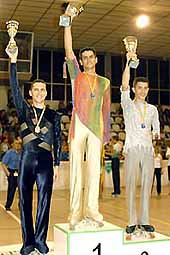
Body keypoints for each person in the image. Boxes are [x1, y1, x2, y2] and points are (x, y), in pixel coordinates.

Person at [6, 44, 61, 255]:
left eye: (42, 89)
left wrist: (56, 164)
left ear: (46, 92)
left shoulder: (53, 116)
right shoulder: (23, 110)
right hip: (26, 159)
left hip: (46, 160)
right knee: (24, 201)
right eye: (35, 89)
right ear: (30, 92)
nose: (39, 92)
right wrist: (13, 61)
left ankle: (41, 240)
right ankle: (28, 242)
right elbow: (13, 85)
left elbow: (57, 138)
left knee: (44, 202)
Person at [63, 6, 110, 230]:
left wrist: (106, 134)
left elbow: (107, 109)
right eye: (84, 57)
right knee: (76, 171)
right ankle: (75, 213)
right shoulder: (76, 75)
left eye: (91, 57)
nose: (87, 60)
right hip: (78, 125)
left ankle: (92, 210)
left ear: (96, 60)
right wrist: (68, 23)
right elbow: (68, 48)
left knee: (93, 170)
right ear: (81, 61)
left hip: (96, 128)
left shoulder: (104, 82)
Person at [121, 52, 160, 236]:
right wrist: (128, 62)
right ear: (134, 89)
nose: (142, 91)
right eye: (139, 87)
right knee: (130, 184)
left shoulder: (152, 109)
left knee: (147, 185)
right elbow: (124, 84)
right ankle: (131, 221)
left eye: (145, 88)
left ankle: (144, 221)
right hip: (132, 148)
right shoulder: (127, 105)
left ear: (148, 90)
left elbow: (156, 127)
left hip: (147, 150)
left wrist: (157, 133)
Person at [0, 138, 21, 210]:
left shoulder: (22, 152)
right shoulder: (9, 153)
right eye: (16, 144)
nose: (18, 145)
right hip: (12, 172)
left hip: (20, 172)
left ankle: (21, 205)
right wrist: (8, 173)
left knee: (22, 190)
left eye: (19, 144)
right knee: (11, 190)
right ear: (13, 145)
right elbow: (3, 164)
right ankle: (8, 205)